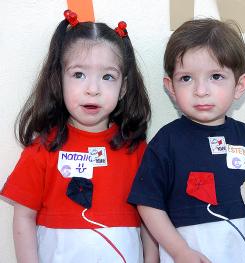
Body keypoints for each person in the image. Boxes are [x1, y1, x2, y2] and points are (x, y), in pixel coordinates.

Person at [0, 10, 158, 263]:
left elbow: (151, 215)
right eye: (78, 74)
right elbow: (23, 218)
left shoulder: (137, 151)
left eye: (108, 77)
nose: (92, 89)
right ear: (59, 79)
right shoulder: (42, 149)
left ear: (123, 88)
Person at [128, 18, 245, 263]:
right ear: (170, 87)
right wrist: (180, 250)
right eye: (186, 79)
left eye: (216, 76)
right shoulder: (165, 143)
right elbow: (148, 205)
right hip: (188, 253)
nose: (201, 90)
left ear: (239, 85)